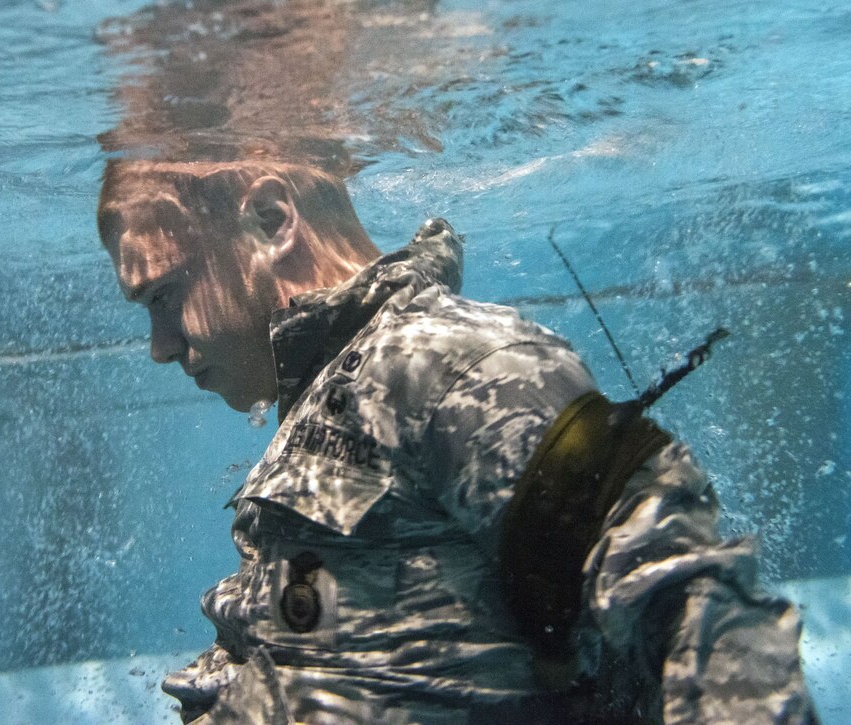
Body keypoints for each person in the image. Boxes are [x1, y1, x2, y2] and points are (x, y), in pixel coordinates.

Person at [97, 158, 817, 724]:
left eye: (163, 294)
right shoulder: (339, 389)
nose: (159, 346)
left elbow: (695, 610)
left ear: (271, 220)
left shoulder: (446, 365)